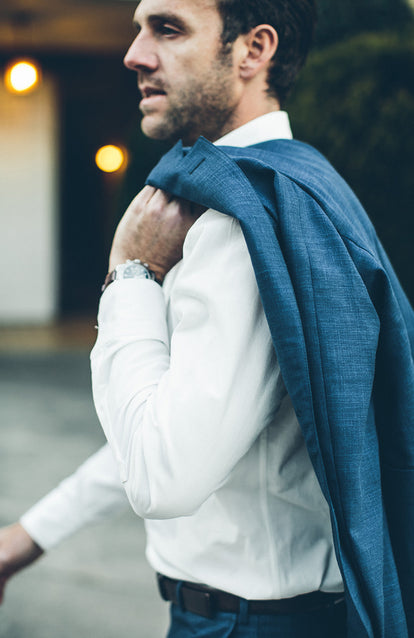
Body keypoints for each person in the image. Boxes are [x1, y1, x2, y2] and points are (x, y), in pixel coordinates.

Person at [1, 1, 413, 637]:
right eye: (139, 28)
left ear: (253, 50)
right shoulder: (307, 182)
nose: (134, 54)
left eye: (167, 29)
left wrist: (129, 273)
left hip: (245, 626)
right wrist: (33, 533)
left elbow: (162, 473)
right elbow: (175, 415)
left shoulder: (237, 219)